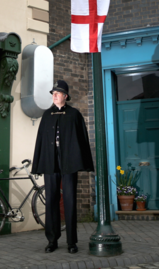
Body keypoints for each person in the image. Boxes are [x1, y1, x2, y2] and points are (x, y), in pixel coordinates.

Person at [32, 80, 94, 254]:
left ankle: (71, 241)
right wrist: (39, 163)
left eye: (58, 93)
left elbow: (82, 139)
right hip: (50, 162)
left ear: (65, 96)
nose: (54, 95)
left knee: (69, 200)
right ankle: (52, 240)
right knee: (51, 200)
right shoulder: (46, 115)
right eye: (53, 93)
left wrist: (83, 161)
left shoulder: (74, 114)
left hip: (68, 163)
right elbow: (41, 141)